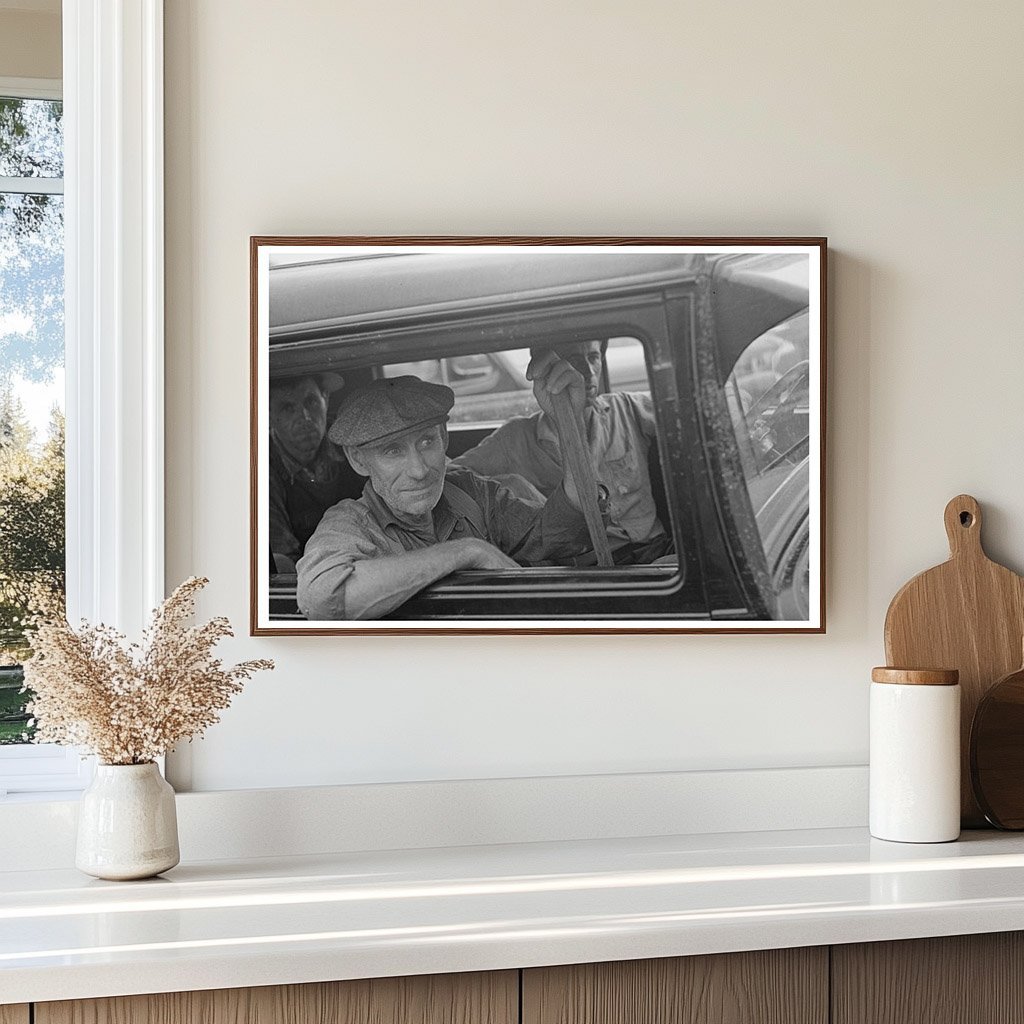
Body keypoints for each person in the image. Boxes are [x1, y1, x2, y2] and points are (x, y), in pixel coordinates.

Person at [296, 371, 600, 621]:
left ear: (444, 437)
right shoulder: (350, 524)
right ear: (358, 460)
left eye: (427, 442)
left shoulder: (469, 492)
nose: (419, 470)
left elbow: (567, 530)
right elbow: (322, 601)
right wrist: (467, 552)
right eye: (392, 451)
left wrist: (569, 422)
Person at [453, 340, 671, 563]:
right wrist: (516, 489)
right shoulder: (515, 439)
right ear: (546, 369)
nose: (588, 371)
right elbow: (451, 477)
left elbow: (684, 413)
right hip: (593, 568)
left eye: (593, 358)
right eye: (574, 360)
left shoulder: (626, 408)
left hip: (657, 553)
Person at [269, 373, 363, 574]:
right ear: (267, 416)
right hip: (308, 577)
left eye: (311, 402)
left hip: (368, 562)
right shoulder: (260, 469)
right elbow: (282, 558)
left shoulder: (352, 440)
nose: (305, 417)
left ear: (325, 399)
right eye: (287, 408)